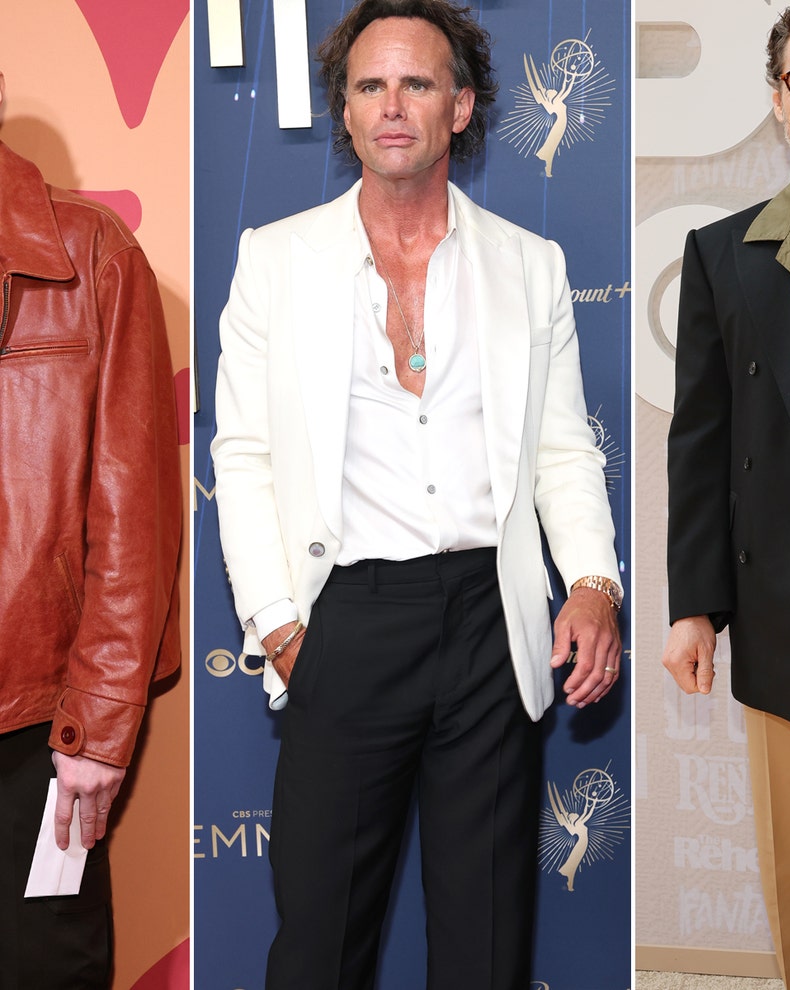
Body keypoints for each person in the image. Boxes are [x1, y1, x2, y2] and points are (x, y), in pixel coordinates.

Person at [212, 1, 622, 986]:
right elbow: (244, 454)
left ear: (462, 107)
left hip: (491, 625)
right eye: (370, 85)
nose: (392, 105)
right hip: (345, 621)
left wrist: (592, 583)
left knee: (486, 950)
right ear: (346, 112)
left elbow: (563, 450)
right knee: (318, 950)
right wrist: (280, 627)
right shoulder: (275, 258)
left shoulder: (531, 266)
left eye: (416, 83)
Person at [0, 73, 182, 989]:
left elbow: (134, 515)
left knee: (43, 970)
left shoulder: (89, 253)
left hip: (35, 722)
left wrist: (98, 730)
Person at [661, 2, 790, 986]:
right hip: (787, 612)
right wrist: (693, 605)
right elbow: (700, 442)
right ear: (776, 101)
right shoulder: (722, 254)